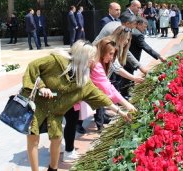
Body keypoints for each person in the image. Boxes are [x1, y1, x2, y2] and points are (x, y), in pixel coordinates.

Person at [22, 40, 132, 171]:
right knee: (33, 138)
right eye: (91, 58)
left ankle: (53, 168)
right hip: (37, 106)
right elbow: (33, 66)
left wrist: (121, 112)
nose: (93, 61)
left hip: (55, 113)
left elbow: (100, 96)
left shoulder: (83, 80)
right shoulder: (57, 61)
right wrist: (41, 87)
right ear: (83, 57)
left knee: (56, 139)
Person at [123, 16, 167, 97]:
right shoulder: (137, 34)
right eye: (144, 26)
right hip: (129, 60)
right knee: (126, 79)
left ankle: (126, 94)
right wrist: (159, 56)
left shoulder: (134, 32)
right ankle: (125, 96)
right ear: (139, 24)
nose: (145, 28)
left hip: (127, 59)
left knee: (127, 78)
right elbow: (146, 47)